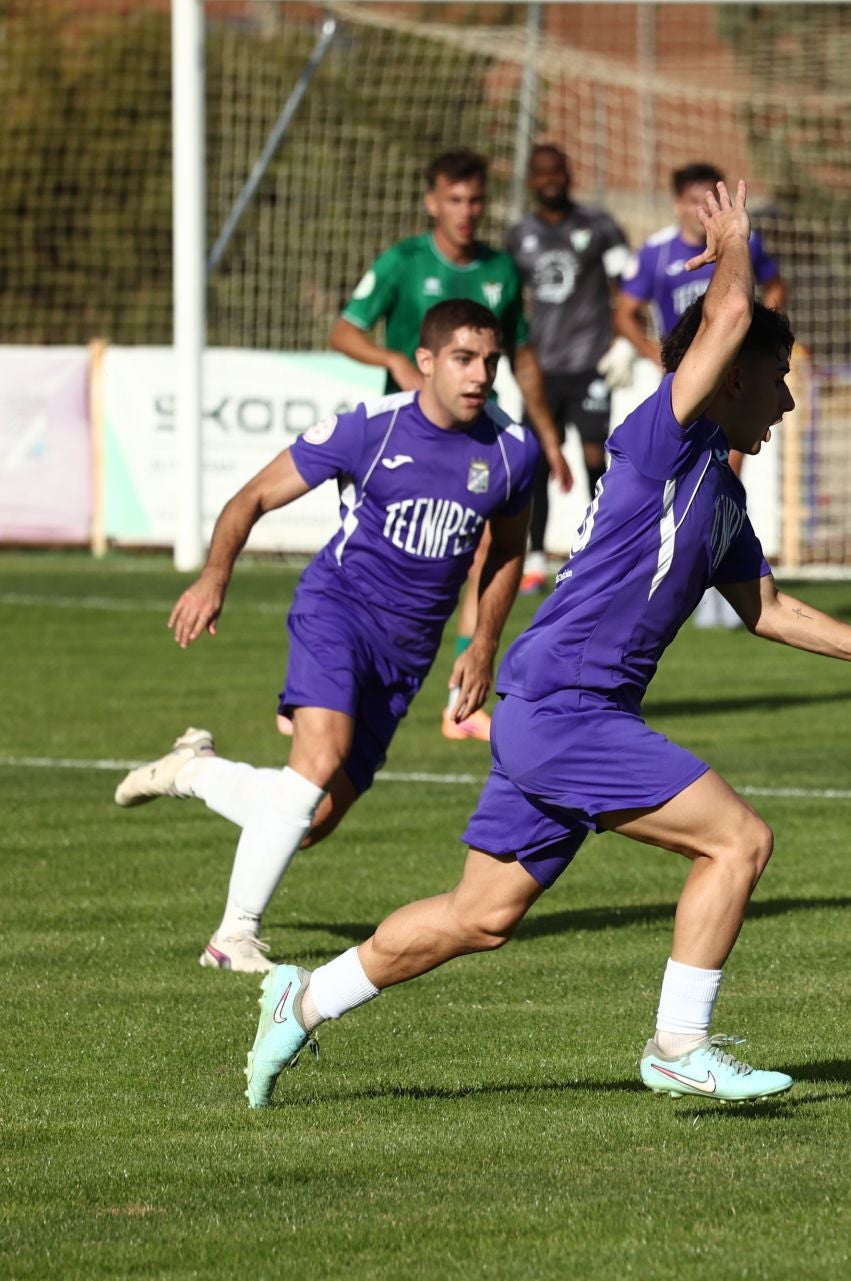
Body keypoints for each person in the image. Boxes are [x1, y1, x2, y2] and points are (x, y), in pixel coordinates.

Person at [242, 182, 851, 1109]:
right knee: (738, 842)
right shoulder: (661, 439)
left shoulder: (719, 492)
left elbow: (769, 608)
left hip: (552, 709)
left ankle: (302, 1000)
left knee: (479, 917)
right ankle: (680, 1044)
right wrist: (738, 245)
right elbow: (725, 316)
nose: (790, 398)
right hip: (565, 707)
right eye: (779, 374)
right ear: (731, 376)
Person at [114, 300, 544, 974]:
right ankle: (234, 935)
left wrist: (482, 645)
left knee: (307, 821)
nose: (480, 374)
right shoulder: (367, 430)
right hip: (336, 611)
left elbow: (509, 551)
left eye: (490, 360)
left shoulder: (514, 451)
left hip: (408, 654)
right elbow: (250, 498)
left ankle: (192, 770)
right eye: (464, 358)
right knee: (319, 758)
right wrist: (214, 576)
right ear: (426, 361)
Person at [330, 147, 573, 740]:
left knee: (490, 553)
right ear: (432, 202)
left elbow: (522, 357)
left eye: (476, 200)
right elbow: (343, 329)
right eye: (455, 200)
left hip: (479, 440)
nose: (467, 212)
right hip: (406, 439)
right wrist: (392, 357)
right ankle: (330, 683)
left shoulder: (501, 270)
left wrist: (547, 434)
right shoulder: (403, 262)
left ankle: (459, 700)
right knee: (386, 565)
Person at [615, 161, 787, 631]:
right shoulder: (656, 254)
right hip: (685, 391)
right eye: (694, 200)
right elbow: (626, 311)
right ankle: (678, 580)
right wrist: (654, 353)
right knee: (684, 486)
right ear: (677, 204)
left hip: (731, 389)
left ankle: (719, 591)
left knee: (725, 480)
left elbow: (771, 287)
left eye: (710, 200)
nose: (700, 210)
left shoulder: (745, 255)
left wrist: (761, 342)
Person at [506, 143, 635, 596]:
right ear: (531, 181)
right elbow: (509, 300)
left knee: (595, 459)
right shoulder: (518, 236)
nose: (549, 180)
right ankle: (535, 559)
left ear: (568, 174)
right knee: (536, 460)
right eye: (540, 173)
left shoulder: (598, 228)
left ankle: (597, 554)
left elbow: (629, 287)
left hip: (590, 363)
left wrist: (625, 342)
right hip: (541, 368)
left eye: (556, 171)